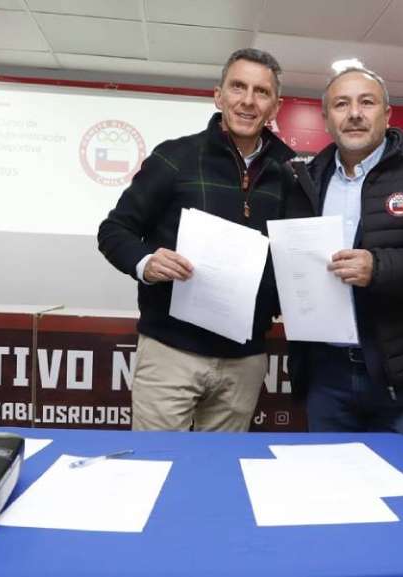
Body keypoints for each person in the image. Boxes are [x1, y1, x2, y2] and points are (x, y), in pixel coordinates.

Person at [98, 48, 295, 432]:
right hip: (171, 351)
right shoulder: (175, 157)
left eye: (261, 92)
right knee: (155, 461)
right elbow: (114, 230)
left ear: (275, 106)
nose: (248, 100)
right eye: (238, 87)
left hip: (245, 359)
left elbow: (291, 259)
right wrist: (146, 263)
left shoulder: (289, 174)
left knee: (221, 466)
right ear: (218, 96)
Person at [285, 65, 403, 450]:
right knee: (329, 483)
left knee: (401, 486)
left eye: (367, 102)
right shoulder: (306, 179)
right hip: (327, 377)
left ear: (387, 114)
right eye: (341, 104)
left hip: (401, 376)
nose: (354, 113)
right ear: (326, 118)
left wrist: (379, 267)